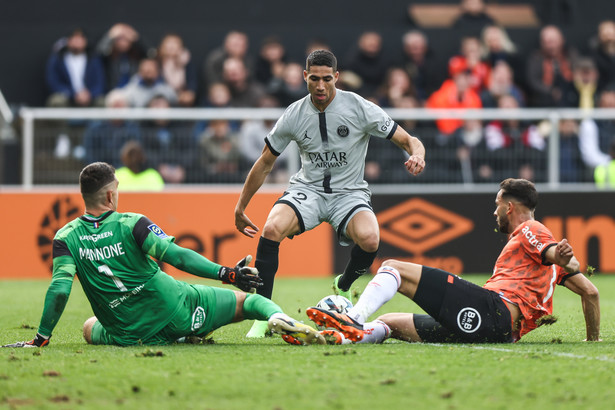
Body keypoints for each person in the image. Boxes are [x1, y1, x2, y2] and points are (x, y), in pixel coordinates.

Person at [1, 162, 323, 348]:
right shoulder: (131, 223)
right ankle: (277, 317)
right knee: (246, 303)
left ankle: (182, 339)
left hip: (127, 332)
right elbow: (179, 257)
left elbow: (59, 288)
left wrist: (41, 338)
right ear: (112, 193)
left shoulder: (65, 237)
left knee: (88, 326)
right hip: (176, 308)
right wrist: (228, 274)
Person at [234, 49, 426, 338]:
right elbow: (265, 163)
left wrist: (418, 155)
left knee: (371, 239)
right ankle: (264, 315)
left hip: (349, 193)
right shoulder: (294, 114)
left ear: (336, 77)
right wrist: (240, 207)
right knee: (272, 228)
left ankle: (344, 283)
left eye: (327, 79)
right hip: (308, 189)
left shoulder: (360, 107)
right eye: (314, 79)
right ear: (304, 77)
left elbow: (409, 140)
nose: (320, 86)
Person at [306, 178, 601, 345]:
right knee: (387, 322)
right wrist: (592, 342)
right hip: (495, 333)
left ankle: (351, 319)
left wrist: (565, 259)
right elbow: (591, 292)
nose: (493, 212)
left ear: (510, 207)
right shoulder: (539, 258)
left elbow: (554, 254)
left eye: (496, 204)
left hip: (493, 312)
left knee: (393, 267)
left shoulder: (530, 230)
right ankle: (341, 338)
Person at [45, 28, 106, 108]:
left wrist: (89, 94)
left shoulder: (93, 59)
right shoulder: (58, 59)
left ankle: (94, 121)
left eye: (80, 38)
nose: (77, 41)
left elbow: (100, 82)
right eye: (74, 38)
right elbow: (53, 82)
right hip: (67, 97)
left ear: (85, 41)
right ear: (68, 41)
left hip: (90, 98)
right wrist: (73, 94)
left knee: (102, 102)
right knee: (56, 101)